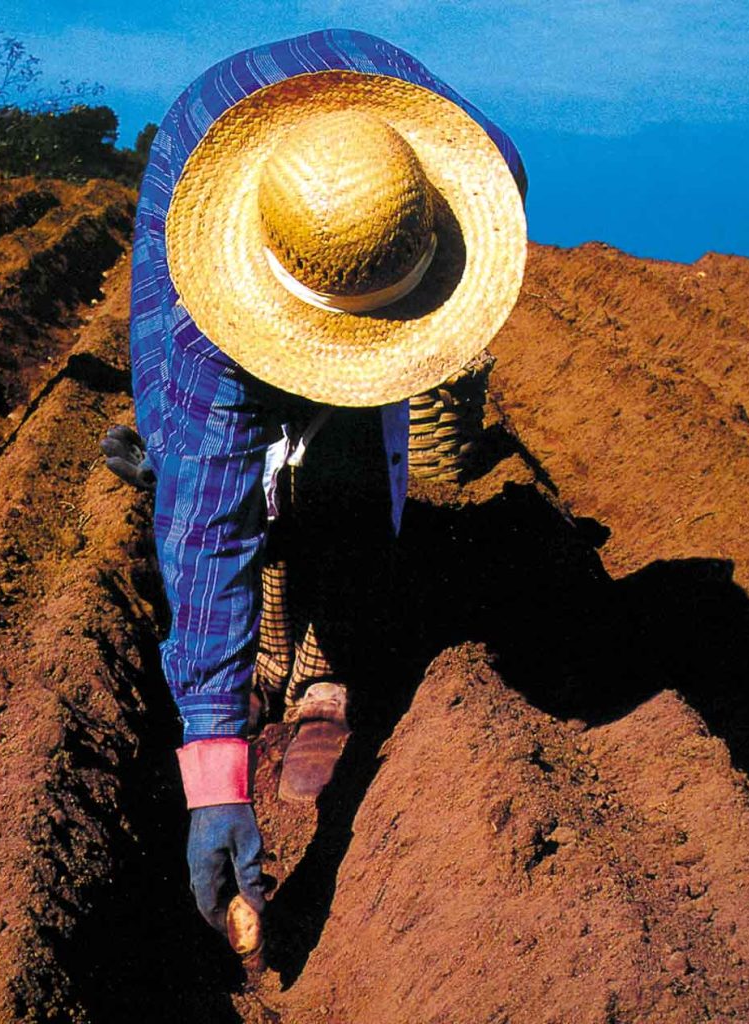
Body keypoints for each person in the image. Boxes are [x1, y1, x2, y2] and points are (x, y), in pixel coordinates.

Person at [102, 27, 528, 955]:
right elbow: (207, 530)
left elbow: (500, 180)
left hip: (363, 230)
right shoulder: (202, 315)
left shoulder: (445, 163)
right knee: (213, 467)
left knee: (358, 424)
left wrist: (397, 333)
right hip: (213, 211)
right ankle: (260, 629)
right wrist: (215, 779)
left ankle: (321, 662)